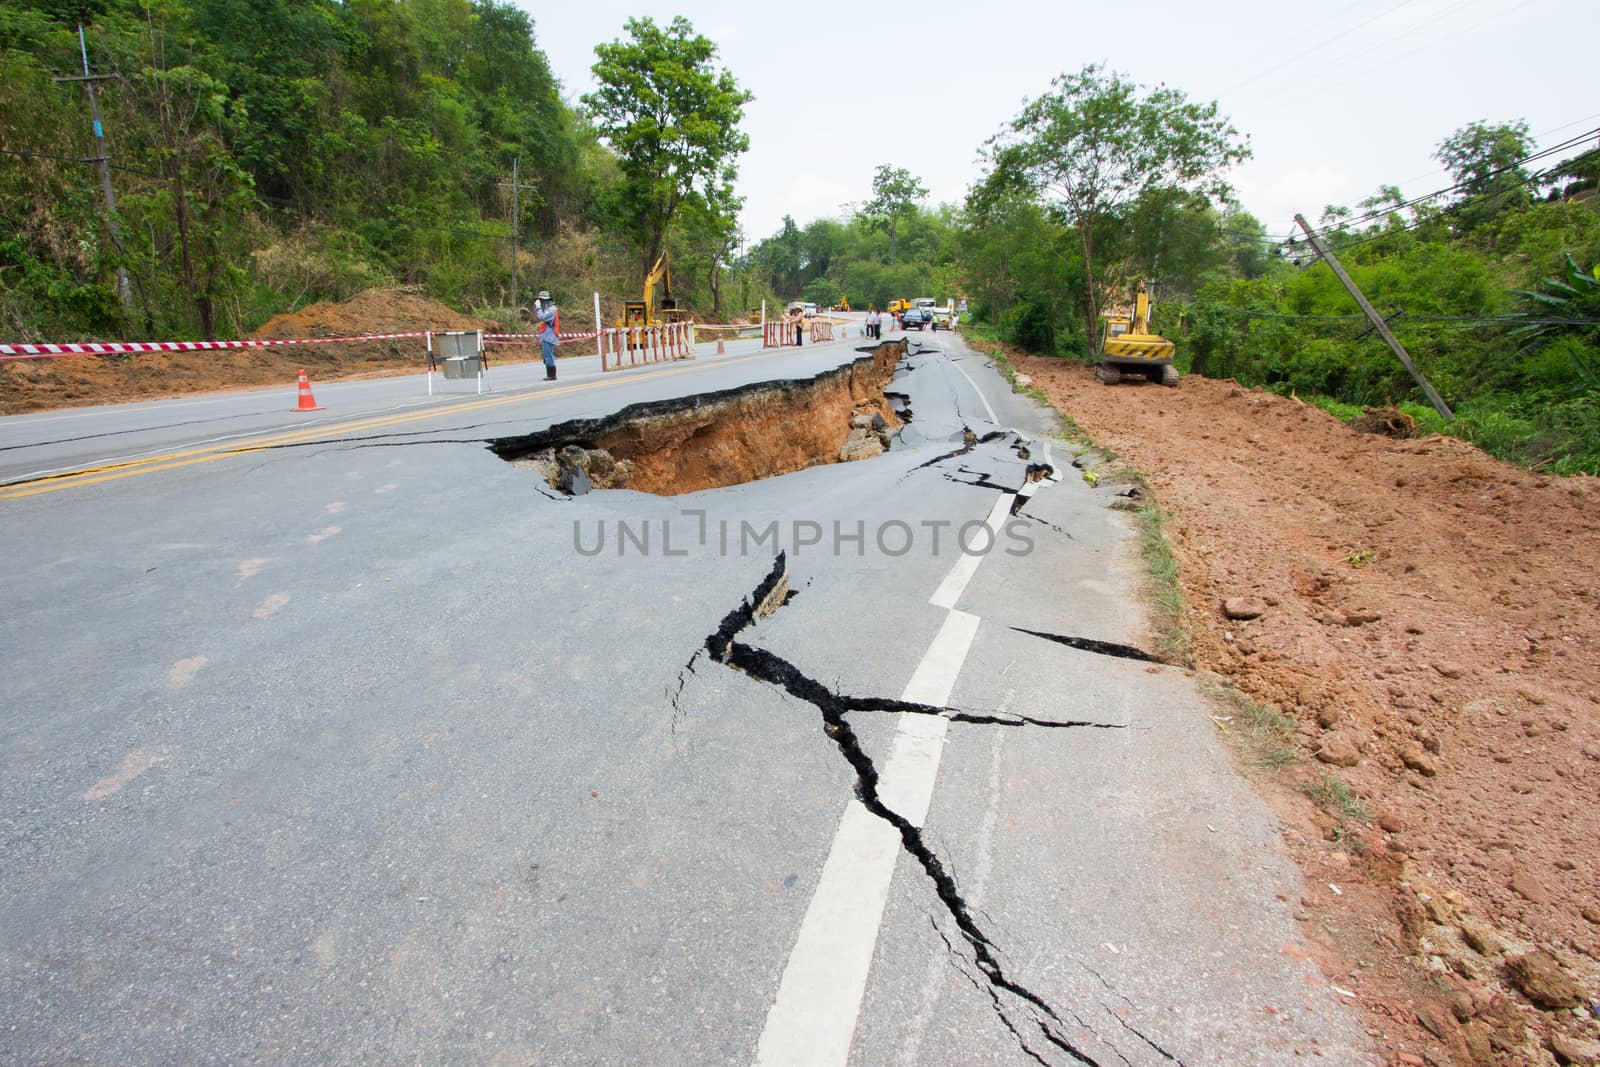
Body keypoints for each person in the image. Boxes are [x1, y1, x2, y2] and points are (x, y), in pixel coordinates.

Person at [535, 289, 559, 380]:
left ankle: (552, 375)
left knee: (548, 355)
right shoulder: (548, 308)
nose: (542, 302)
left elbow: (542, 317)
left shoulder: (552, 309)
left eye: (542, 300)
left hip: (549, 336)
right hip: (546, 335)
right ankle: (550, 374)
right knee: (546, 356)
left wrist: (538, 308)